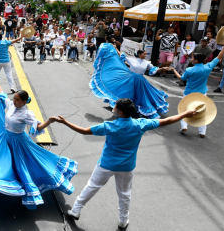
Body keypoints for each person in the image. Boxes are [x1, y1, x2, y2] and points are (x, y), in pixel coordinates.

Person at [58, 98, 196, 229]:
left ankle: (76, 210)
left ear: (121, 112)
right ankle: (123, 221)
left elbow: (84, 131)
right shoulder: (140, 124)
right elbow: (167, 120)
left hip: (106, 164)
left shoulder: (109, 126)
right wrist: (185, 113)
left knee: (92, 186)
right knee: (124, 194)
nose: (113, 108)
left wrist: (65, 122)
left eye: (115, 107)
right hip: (127, 167)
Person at [0, 75, 78, 209]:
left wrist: (49, 121)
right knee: (1, 161)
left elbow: (37, 127)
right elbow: (3, 96)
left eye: (17, 100)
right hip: (5, 138)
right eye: (14, 98)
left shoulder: (27, 114)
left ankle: (26, 188)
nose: (14, 101)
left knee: (22, 165)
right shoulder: (12, 106)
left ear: (24, 102)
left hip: (18, 142)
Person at [90, 43, 169, 119]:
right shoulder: (132, 60)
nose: (145, 55)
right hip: (131, 79)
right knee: (127, 93)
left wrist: (162, 68)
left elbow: (154, 69)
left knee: (142, 96)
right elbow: (121, 55)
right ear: (139, 54)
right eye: (144, 54)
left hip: (141, 81)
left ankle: (138, 110)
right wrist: (116, 48)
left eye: (145, 54)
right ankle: (121, 107)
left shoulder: (147, 63)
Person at [169, 39, 224, 137]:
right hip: (202, 93)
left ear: (196, 60)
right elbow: (219, 56)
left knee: (184, 109)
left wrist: (174, 70)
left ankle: (184, 126)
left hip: (189, 92)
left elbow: (182, 79)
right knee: (202, 112)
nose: (191, 58)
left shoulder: (189, 69)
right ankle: (202, 131)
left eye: (193, 57)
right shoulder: (208, 67)